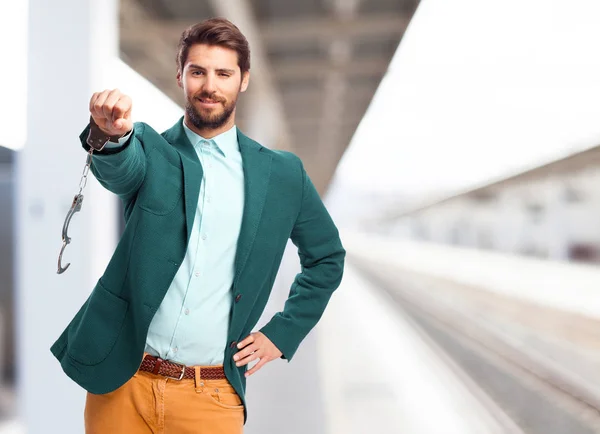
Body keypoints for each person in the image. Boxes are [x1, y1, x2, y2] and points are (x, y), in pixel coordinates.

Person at [50, 17, 345, 434]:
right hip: (123, 388)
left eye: (224, 73)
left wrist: (284, 331)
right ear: (181, 77)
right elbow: (121, 169)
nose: (210, 85)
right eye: (198, 72)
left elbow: (327, 258)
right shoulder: (151, 150)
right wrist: (111, 135)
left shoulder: (283, 175)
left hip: (210, 396)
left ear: (243, 80)